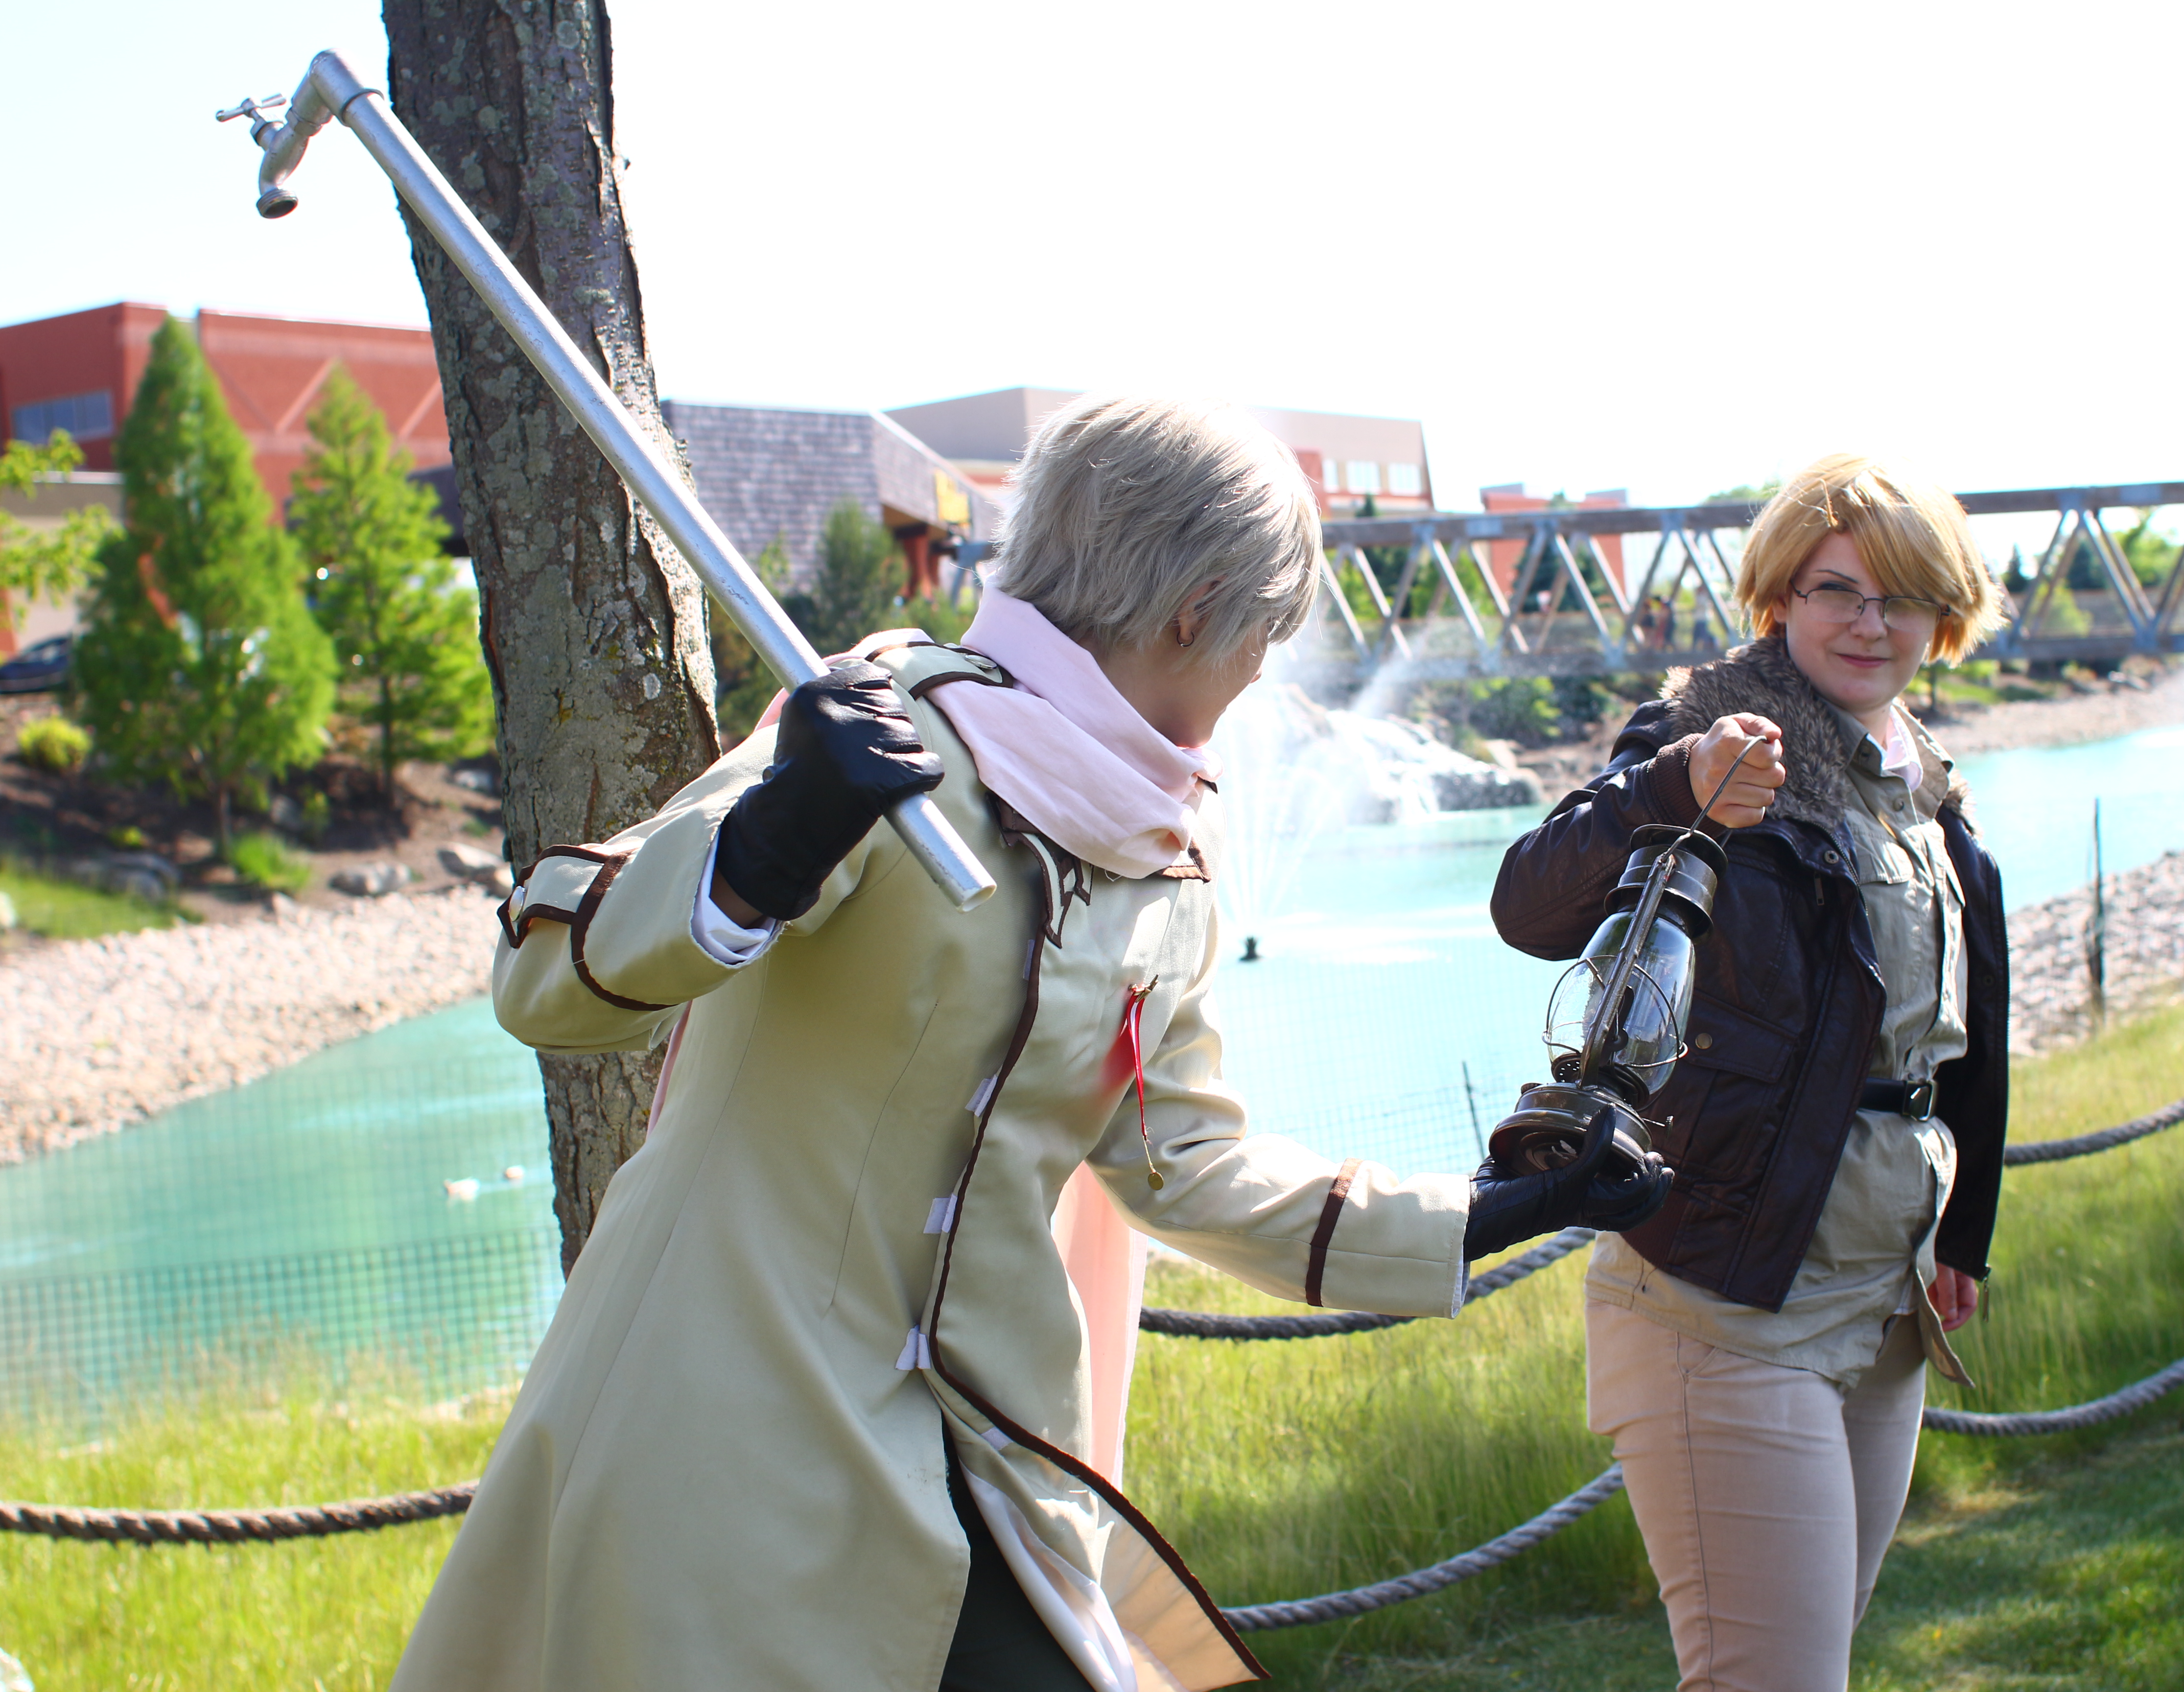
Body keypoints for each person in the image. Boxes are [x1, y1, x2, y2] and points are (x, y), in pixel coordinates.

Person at [391, 395, 1662, 1692]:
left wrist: (1481, 1212)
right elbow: (544, 973)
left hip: (980, 1455)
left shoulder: (1165, 857)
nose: (1263, 674)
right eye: (1266, 636)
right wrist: (759, 849)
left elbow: (1184, 1163)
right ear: (1195, 609)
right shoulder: (880, 741)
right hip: (719, 1438)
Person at [1490, 454, 2013, 1692]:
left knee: (1809, 1660)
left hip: (1882, 1299)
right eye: (1838, 590)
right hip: (1724, 1296)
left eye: (1900, 596)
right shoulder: (1707, 739)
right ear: (1780, 597)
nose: (1868, 622)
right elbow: (1530, 904)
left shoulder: (1929, 793)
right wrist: (1673, 789)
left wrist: (1966, 1235)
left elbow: (1960, 1046)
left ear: (1944, 619)